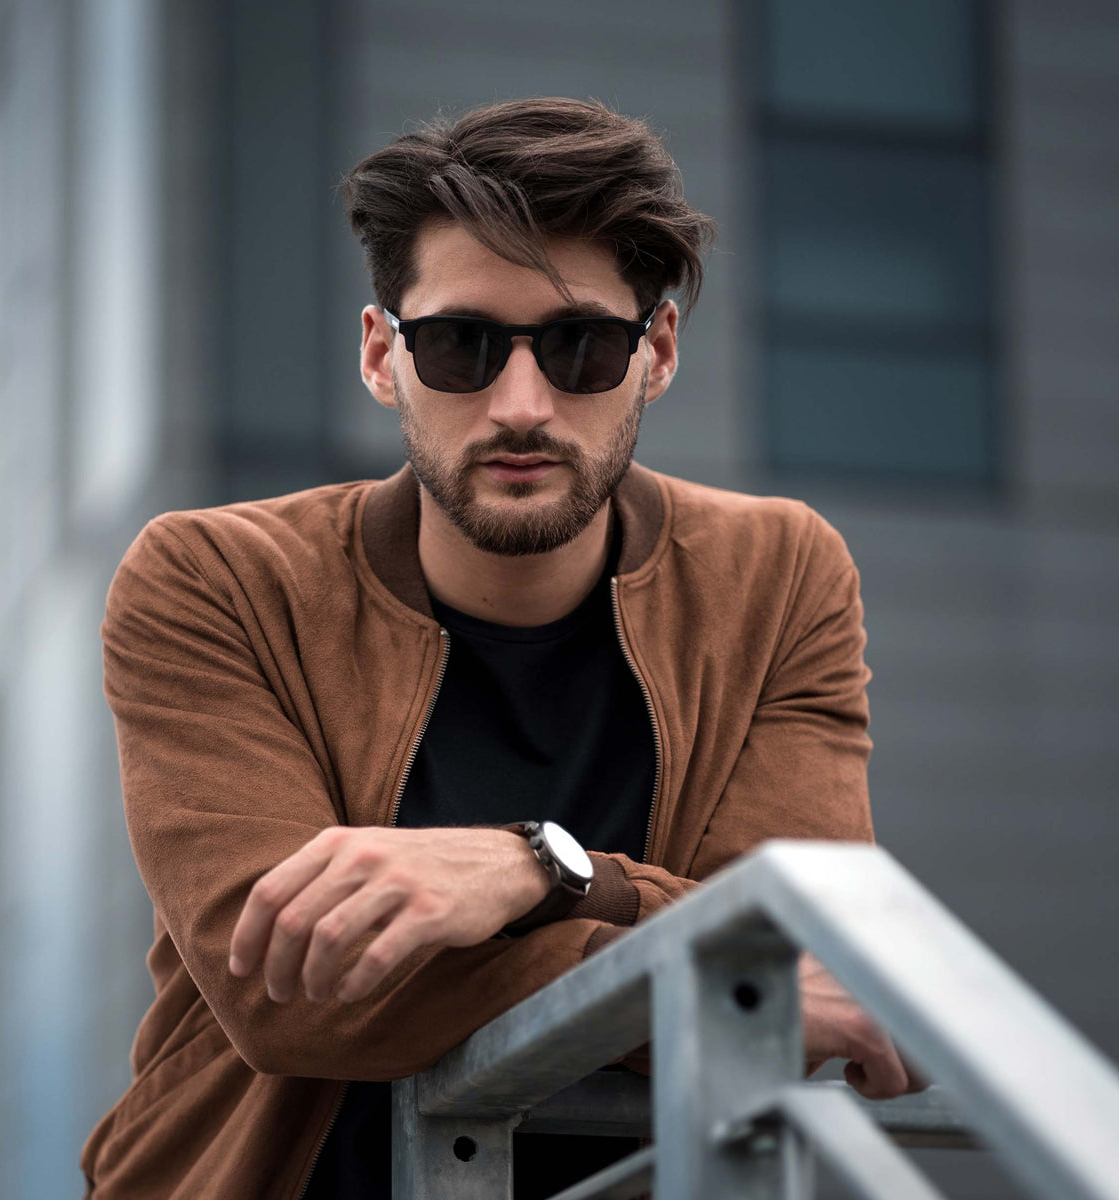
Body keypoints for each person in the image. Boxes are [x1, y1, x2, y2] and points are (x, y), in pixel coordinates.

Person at [79, 97, 924, 1200]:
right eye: (460, 345)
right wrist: (605, 899)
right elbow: (285, 991)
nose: (521, 406)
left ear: (656, 352)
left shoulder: (776, 576)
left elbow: (792, 982)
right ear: (383, 356)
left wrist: (525, 876)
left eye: (580, 347)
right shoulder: (218, 579)